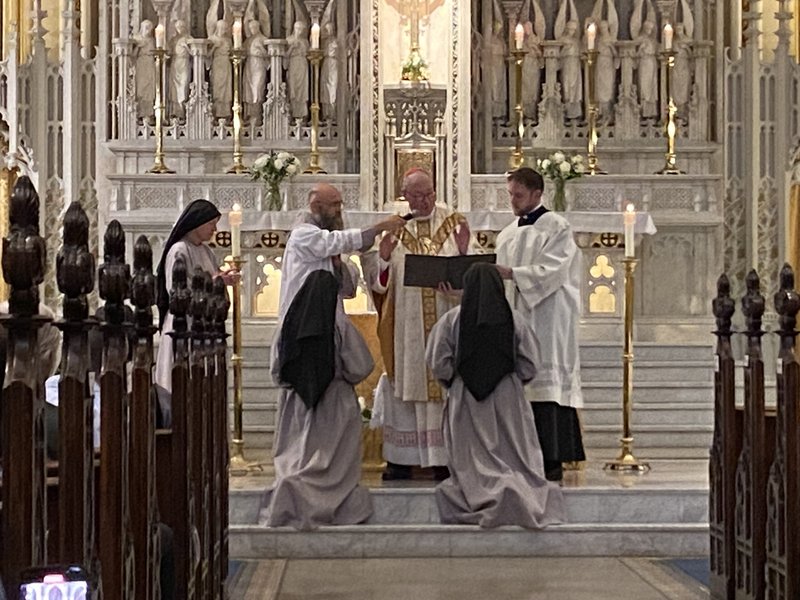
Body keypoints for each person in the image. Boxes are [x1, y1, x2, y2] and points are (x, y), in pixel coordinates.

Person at [426, 263, 565, 528]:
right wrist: (512, 381)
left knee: (473, 455)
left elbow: (438, 362)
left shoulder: (451, 320)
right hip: (508, 396)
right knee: (512, 452)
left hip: (466, 396)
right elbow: (530, 362)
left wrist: (454, 382)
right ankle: (514, 486)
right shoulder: (514, 319)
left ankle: (477, 489)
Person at [363, 168, 472, 481]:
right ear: (405, 196)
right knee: (406, 386)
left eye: (429, 194)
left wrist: (464, 252)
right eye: (417, 195)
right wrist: (383, 259)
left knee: (443, 385)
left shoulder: (455, 222)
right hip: (406, 327)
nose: (424, 200)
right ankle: (402, 459)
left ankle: (443, 458)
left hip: (445, 318)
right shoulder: (394, 228)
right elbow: (379, 286)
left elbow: (475, 269)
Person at [261, 270, 375, 529]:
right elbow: (360, 367)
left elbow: (277, 372)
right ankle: (328, 501)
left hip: (296, 405)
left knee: (297, 457)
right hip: (335, 404)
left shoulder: (287, 326)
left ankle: (294, 488)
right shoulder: (340, 327)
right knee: (330, 467)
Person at [494, 167, 585, 482]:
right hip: (517, 316)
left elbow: (554, 269)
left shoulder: (556, 226)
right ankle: (520, 456)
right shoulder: (507, 232)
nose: (513, 201)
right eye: (510, 195)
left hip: (547, 314)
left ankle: (551, 457)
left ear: (536, 193)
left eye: (518, 195)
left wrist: (514, 274)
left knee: (546, 385)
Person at [154, 199, 236, 426]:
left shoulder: (206, 252)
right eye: (211, 224)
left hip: (204, 325)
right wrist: (217, 280)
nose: (214, 230)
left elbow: (212, 279)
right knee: (181, 382)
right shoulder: (179, 250)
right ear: (197, 223)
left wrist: (223, 279)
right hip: (184, 324)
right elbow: (177, 290)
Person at [277, 183, 405, 322]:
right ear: (315, 206)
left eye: (340, 204)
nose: (338, 210)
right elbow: (334, 241)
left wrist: (339, 267)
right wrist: (378, 228)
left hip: (330, 316)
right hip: (301, 317)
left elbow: (348, 289)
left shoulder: (330, 237)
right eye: (334, 204)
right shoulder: (302, 234)